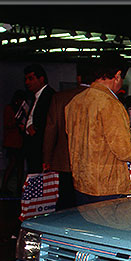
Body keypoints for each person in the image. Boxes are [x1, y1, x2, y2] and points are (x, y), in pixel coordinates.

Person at [64, 52, 131, 206]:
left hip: (81, 185)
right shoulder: (111, 104)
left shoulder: (75, 102)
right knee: (121, 229)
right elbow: (124, 151)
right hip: (108, 188)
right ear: (117, 75)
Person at [42, 62, 94, 210]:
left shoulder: (59, 98)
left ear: (78, 78)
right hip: (90, 161)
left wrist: (47, 158)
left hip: (64, 160)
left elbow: (50, 130)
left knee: (65, 198)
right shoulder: (100, 100)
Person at [22, 64, 55, 174]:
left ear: (41, 79)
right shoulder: (36, 97)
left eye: (31, 79)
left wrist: (34, 130)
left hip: (41, 148)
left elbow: (49, 122)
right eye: (26, 79)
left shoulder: (49, 96)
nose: (27, 82)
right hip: (34, 148)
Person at [1, 90, 28, 197]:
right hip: (12, 142)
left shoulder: (23, 109)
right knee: (12, 164)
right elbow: (7, 124)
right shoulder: (9, 108)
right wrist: (17, 122)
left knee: (20, 165)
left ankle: (18, 187)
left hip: (20, 141)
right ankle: (4, 187)